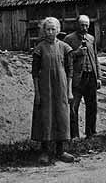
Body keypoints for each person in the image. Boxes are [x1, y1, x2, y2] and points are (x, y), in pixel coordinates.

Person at [31, 17, 75, 164]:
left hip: (61, 86)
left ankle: (61, 150)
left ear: (58, 30)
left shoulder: (65, 47)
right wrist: (37, 93)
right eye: (48, 29)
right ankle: (44, 151)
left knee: (61, 115)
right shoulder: (39, 48)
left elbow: (70, 71)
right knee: (46, 116)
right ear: (44, 30)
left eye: (53, 29)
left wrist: (69, 91)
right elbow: (35, 73)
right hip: (45, 88)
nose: (50, 32)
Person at [64, 15, 102, 139]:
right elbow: (65, 59)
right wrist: (77, 53)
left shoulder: (91, 38)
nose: (84, 28)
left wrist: (99, 77)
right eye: (82, 25)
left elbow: (95, 58)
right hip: (77, 78)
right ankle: (74, 136)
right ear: (77, 25)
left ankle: (91, 133)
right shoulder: (69, 39)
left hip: (90, 76)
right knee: (73, 107)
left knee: (92, 106)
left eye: (86, 25)